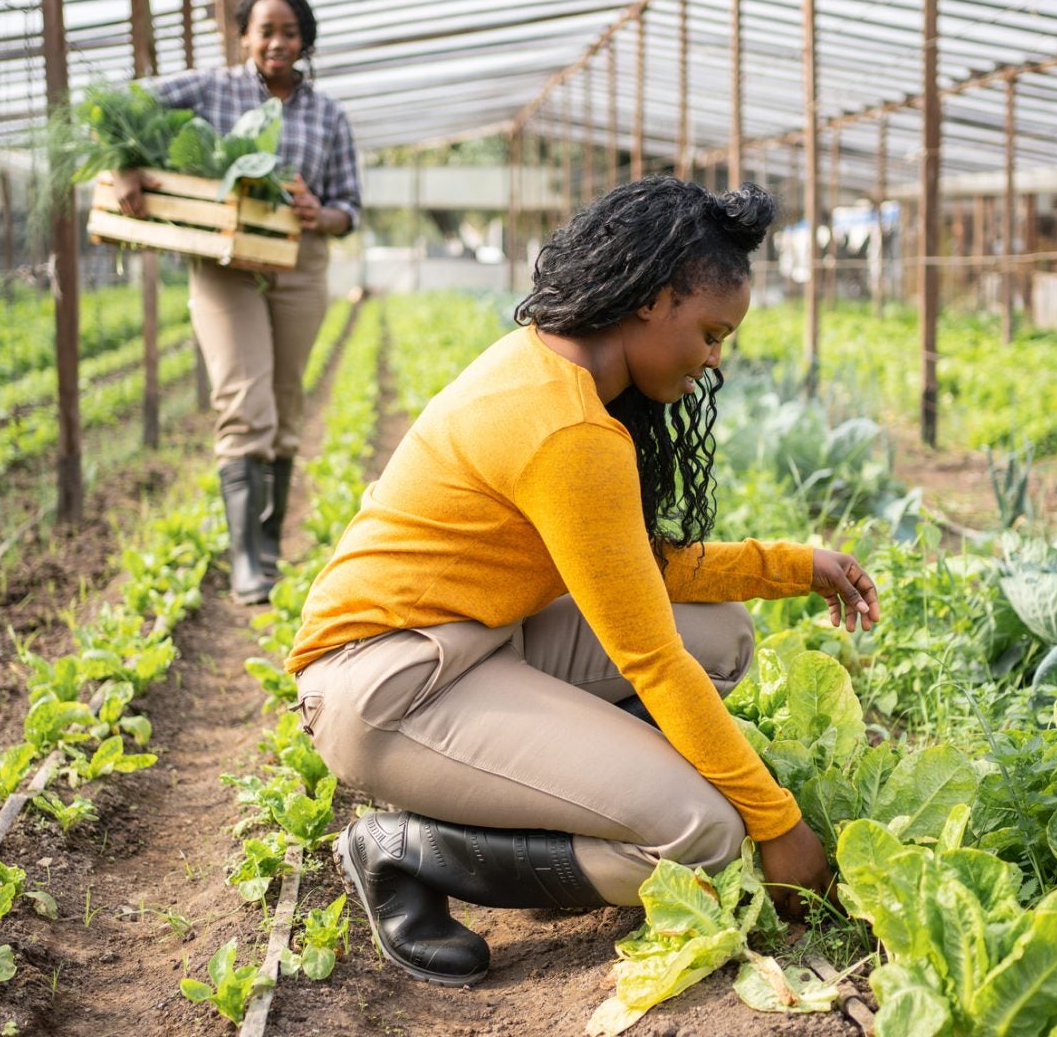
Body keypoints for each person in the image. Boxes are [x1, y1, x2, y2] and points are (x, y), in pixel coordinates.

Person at [283, 177, 881, 987]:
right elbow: (650, 658)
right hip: (386, 689)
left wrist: (791, 567)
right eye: (709, 333)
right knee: (706, 837)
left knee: (723, 634)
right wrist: (778, 825)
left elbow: (635, 572)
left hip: (474, 639)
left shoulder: (549, 364)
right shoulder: (567, 428)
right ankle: (407, 851)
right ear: (652, 298)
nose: (713, 361)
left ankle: (555, 810)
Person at [116, 0, 362, 604]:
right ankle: (245, 561)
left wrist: (319, 212)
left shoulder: (329, 114)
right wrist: (127, 166)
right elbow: (124, 105)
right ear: (244, 35)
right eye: (264, 30)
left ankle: (271, 542)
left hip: (300, 263)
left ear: (304, 39)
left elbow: (349, 208)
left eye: (288, 31)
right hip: (224, 259)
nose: (276, 42)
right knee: (242, 399)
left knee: (283, 404)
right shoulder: (210, 88)